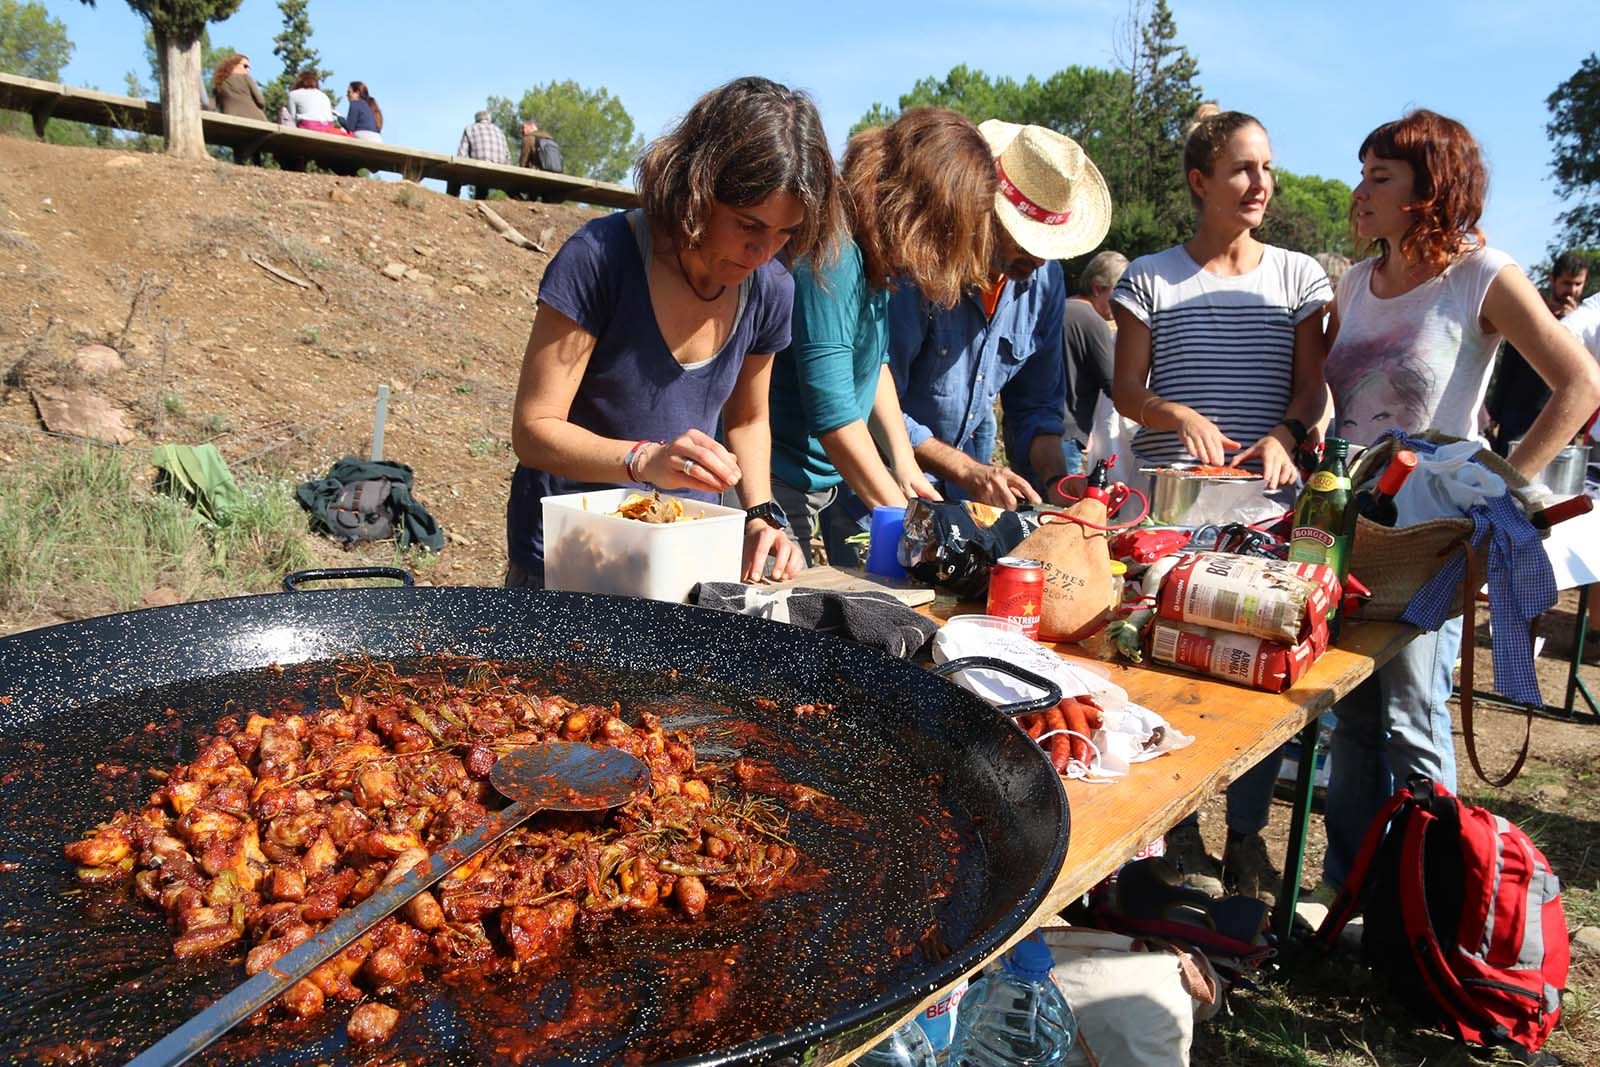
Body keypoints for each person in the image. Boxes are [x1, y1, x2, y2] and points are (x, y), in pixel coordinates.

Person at [1320, 110, 1600, 895]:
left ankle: (1435, 904)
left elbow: (1581, 384)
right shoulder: (1355, 281)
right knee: (1353, 717)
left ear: (1430, 190)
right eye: (1362, 172)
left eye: (1380, 176)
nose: (1360, 190)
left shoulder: (1481, 274)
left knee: (1412, 717)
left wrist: (1500, 493)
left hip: (1434, 534)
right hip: (1351, 528)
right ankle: (1352, 897)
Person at [1112, 109, 1333, 903]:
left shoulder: (1300, 277)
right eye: (1242, 168)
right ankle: (1175, 831)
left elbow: (1313, 387)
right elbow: (1127, 392)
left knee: (1262, 678)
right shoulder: (1148, 277)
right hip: (1172, 512)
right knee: (1168, 669)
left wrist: (1286, 433)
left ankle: (1246, 837)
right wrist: (1174, 413)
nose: (1260, 183)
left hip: (1267, 515)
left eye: (1266, 167)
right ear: (1201, 181)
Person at [506, 76, 844, 589]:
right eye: (748, 225)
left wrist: (760, 514)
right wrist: (644, 460)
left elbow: (748, 419)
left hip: (685, 555)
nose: (763, 252)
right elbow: (534, 429)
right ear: (697, 188)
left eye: (786, 233)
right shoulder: (600, 259)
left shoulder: (770, 289)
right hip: (569, 558)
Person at [767, 107, 994, 566]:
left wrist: (904, 461)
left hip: (812, 485)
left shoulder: (871, 252)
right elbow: (833, 413)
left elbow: (874, 365)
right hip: (775, 482)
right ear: (926, 209)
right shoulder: (835, 253)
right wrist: (912, 522)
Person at [887, 121, 1110, 508]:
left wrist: (1056, 480)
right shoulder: (920, 268)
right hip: (879, 486)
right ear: (986, 211)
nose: (1038, 258)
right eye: (1027, 240)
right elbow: (873, 397)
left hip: (959, 494)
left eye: (1049, 246)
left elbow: (1036, 405)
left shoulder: (1045, 281)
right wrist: (967, 470)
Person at [1486, 250, 1590, 454]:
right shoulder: (1534, 315)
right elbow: (1508, 366)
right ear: (1553, 280)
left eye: (1578, 284)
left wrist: (1573, 326)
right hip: (1519, 413)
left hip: (1559, 416)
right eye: (1566, 283)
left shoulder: (1587, 325)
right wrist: (1495, 412)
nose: (1572, 291)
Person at [1062, 250, 1129, 475]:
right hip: (1067, 433)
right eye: (1118, 293)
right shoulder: (1092, 321)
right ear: (1098, 288)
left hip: (1035, 432)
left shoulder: (1062, 308)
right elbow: (1114, 385)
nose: (1123, 302)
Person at [458, 110, 510, 199]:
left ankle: (452, 199)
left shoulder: (470, 129)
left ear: (476, 120)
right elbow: (508, 157)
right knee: (483, 178)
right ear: (489, 119)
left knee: (454, 175)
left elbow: (461, 156)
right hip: (499, 171)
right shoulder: (499, 131)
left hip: (480, 170)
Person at [286, 71, 347, 136]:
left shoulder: (293, 94)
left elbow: (291, 119)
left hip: (308, 127)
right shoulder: (324, 96)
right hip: (328, 128)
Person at [212, 54, 266, 122]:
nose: (248, 70)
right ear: (233, 65)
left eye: (249, 68)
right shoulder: (245, 78)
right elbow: (261, 101)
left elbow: (211, 107)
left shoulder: (218, 86)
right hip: (255, 121)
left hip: (230, 123)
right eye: (245, 66)